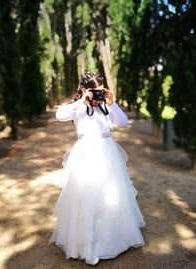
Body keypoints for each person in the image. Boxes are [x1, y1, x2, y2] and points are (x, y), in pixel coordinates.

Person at [49, 72, 146, 265]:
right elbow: (60, 115)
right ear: (85, 90)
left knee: (110, 197)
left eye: (101, 91)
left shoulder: (104, 107)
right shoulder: (78, 108)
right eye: (95, 92)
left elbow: (123, 121)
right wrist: (82, 100)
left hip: (108, 154)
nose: (98, 95)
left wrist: (111, 102)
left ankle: (112, 241)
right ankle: (87, 246)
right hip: (86, 154)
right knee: (86, 198)